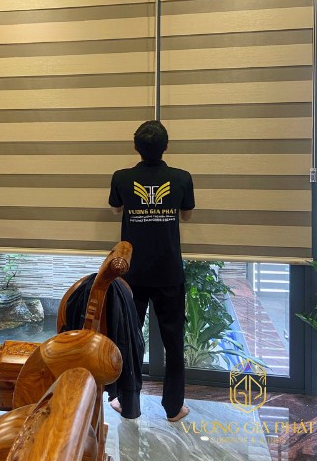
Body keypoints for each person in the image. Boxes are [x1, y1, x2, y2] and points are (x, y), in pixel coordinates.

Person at [108, 120, 194, 422]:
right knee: (174, 341)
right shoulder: (182, 178)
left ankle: (128, 405)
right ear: (166, 146)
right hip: (169, 272)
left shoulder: (121, 177)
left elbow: (116, 209)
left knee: (128, 340)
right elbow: (187, 215)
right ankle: (174, 408)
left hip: (132, 274)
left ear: (136, 147)